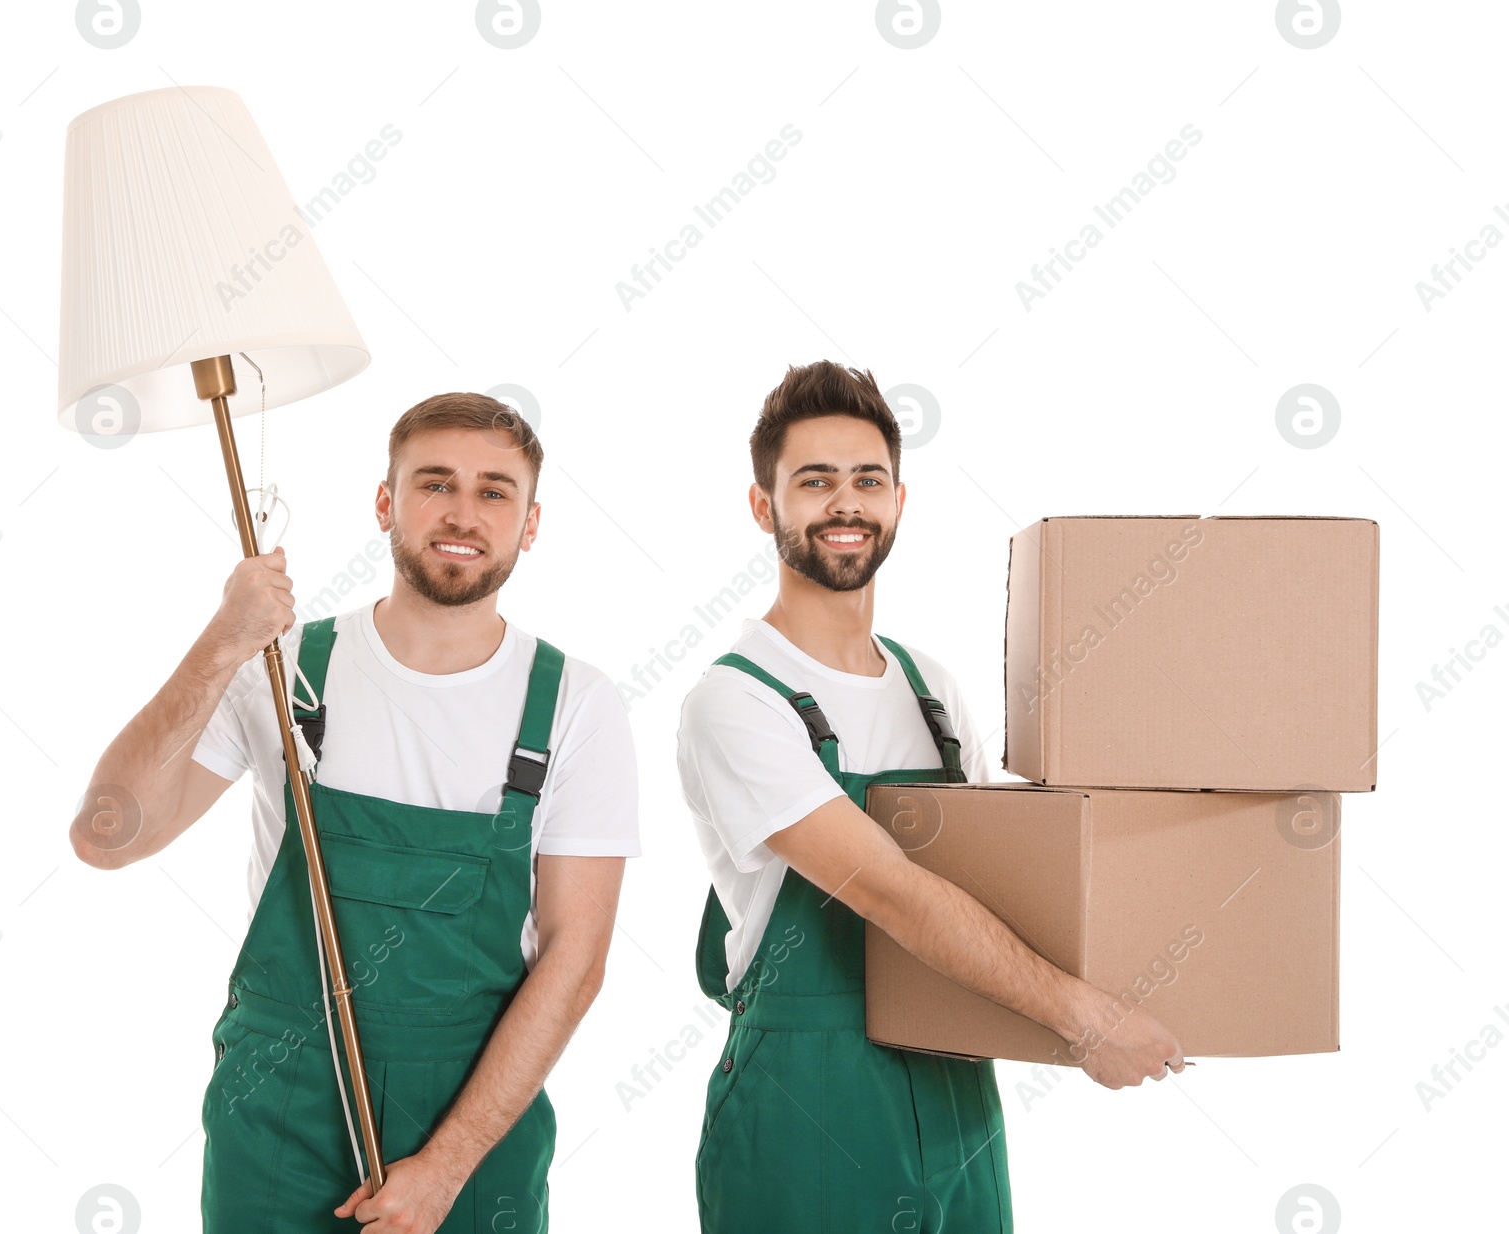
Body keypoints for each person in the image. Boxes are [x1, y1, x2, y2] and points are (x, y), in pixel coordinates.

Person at [72, 393, 640, 1232]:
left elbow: (576, 961)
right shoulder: (286, 666)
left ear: (530, 522)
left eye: (494, 492)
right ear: (385, 502)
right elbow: (106, 836)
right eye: (435, 483)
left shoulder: (574, 707)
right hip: (278, 1111)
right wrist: (220, 645)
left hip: (474, 1131)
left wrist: (445, 1169)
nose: (463, 512)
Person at [676, 361, 1185, 1233]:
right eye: (815, 481)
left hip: (959, 1094)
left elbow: (1024, 875)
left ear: (899, 502)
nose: (846, 503)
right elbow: (886, 891)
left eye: (868, 480)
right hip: (809, 1111)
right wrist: (1081, 1018)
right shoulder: (737, 699)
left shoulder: (931, 690)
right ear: (764, 507)